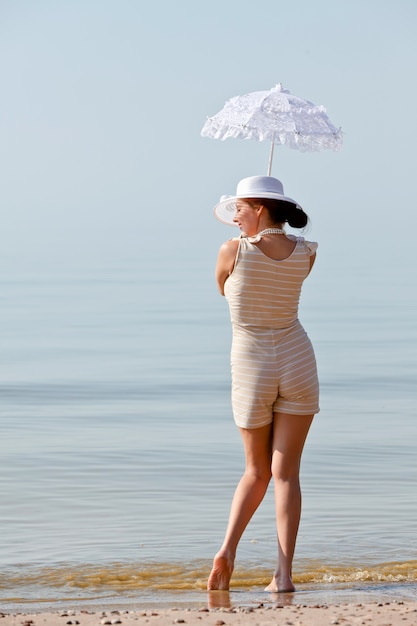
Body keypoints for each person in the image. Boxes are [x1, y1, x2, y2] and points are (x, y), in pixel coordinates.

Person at [207, 175, 320, 594]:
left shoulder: (232, 251)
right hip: (298, 360)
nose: (233, 217)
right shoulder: (307, 252)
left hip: (253, 364)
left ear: (259, 207)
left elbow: (223, 290)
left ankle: (228, 550)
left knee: (256, 470)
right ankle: (284, 575)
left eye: (238, 208)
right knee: (286, 473)